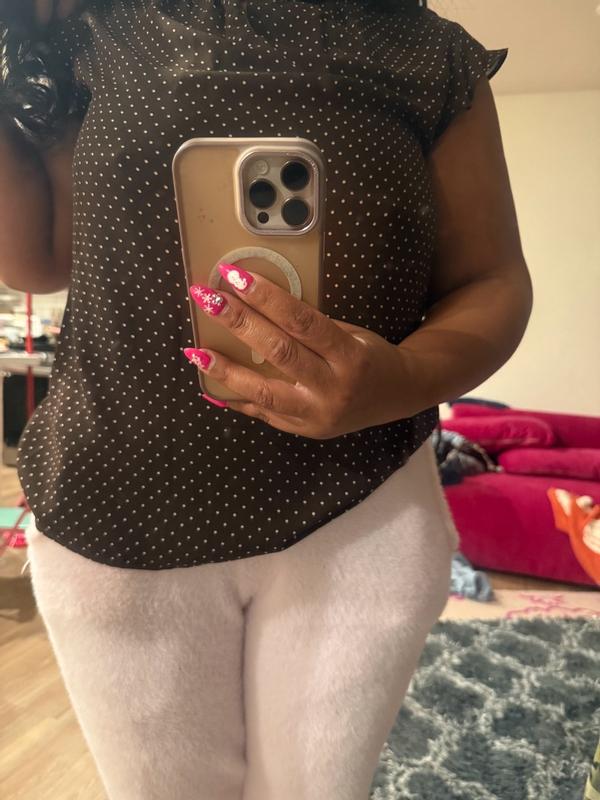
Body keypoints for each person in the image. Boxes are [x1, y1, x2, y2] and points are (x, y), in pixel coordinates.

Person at [0, 1, 530, 798]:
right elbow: (39, 257)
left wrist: (406, 376)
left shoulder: (434, 61)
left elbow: (492, 280)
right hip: (113, 508)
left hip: (360, 514)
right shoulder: (95, 32)